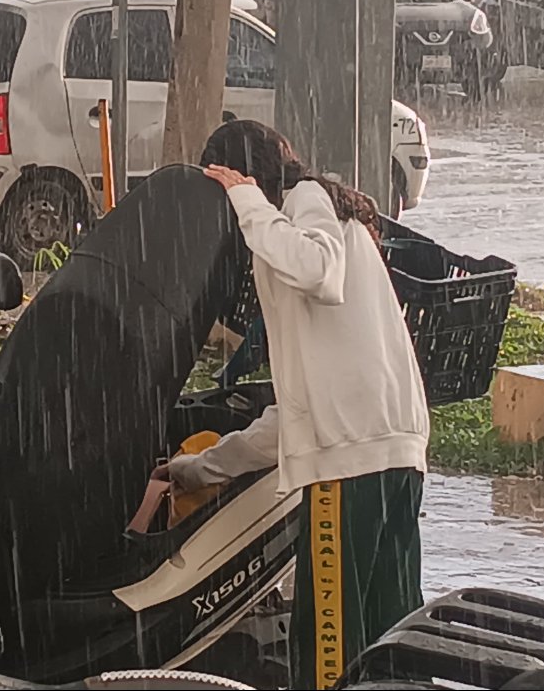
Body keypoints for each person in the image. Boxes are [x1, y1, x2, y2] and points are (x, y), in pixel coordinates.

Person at [155, 120, 430, 689]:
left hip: (349, 473)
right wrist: (196, 470)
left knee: (327, 653)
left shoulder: (305, 204)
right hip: (396, 456)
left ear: (250, 178)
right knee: (391, 644)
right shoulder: (337, 223)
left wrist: (247, 202)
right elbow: (296, 418)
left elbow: (316, 271)